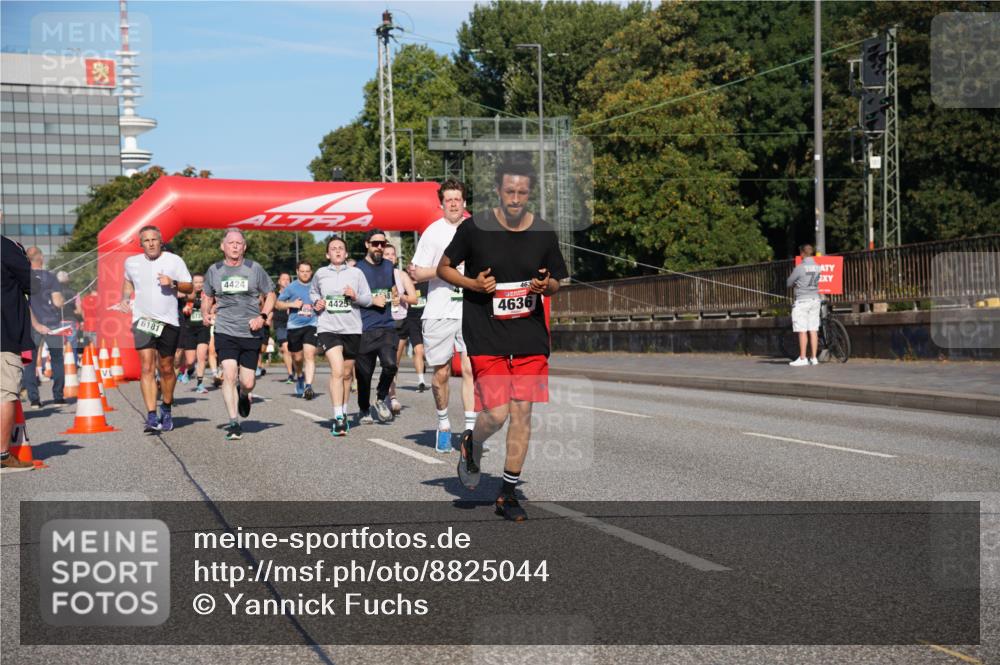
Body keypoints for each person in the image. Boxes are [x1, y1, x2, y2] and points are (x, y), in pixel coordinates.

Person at [438, 154, 568, 521]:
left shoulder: (542, 231)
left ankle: (507, 494)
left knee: (522, 412)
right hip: (485, 332)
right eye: (509, 191)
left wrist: (547, 286)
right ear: (497, 191)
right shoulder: (475, 229)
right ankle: (473, 443)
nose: (515, 198)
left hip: (529, 334)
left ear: (530, 193)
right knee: (495, 414)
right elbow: (444, 268)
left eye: (522, 193)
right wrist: (473, 284)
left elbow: (557, 279)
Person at [408, 178, 476, 454]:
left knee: (472, 368)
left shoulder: (477, 231)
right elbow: (416, 272)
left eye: (457, 199)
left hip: (471, 309)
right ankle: (444, 423)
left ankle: (470, 431)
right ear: (441, 203)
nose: (453, 204)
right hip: (438, 311)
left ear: (464, 202)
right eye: (448, 199)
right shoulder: (432, 233)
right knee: (441, 374)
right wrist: (447, 270)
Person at [112, 225, 193, 432]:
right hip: (143, 320)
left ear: (161, 241)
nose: (150, 243)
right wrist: (124, 299)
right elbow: (128, 282)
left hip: (168, 322)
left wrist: (172, 282)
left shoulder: (174, 261)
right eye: (146, 240)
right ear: (141, 244)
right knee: (147, 367)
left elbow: (189, 287)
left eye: (154, 240)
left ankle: (166, 408)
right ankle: (150, 415)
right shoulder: (132, 263)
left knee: (166, 368)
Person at [201, 228, 275, 440]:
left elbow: (270, 294)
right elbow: (207, 295)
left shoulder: (254, 269)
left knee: (248, 382)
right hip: (225, 329)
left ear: (244, 247)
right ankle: (234, 422)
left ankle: (244, 394)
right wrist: (206, 313)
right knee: (230, 374)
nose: (235, 246)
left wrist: (262, 316)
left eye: (239, 243)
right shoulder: (214, 270)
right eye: (231, 243)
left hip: (250, 331)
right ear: (222, 246)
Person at [311, 236, 372, 436]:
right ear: (327, 254)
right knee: (337, 370)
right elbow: (313, 294)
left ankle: (344, 412)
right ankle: (338, 417)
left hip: (352, 329)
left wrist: (355, 296)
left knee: (346, 374)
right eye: (333, 249)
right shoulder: (320, 273)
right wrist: (316, 303)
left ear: (346, 254)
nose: (337, 251)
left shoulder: (357, 273)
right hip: (328, 327)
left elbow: (368, 299)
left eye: (340, 248)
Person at [354, 229, 399, 424]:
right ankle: (364, 409)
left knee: (390, 365)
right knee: (364, 375)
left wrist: (395, 297)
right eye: (375, 244)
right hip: (364, 328)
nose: (379, 247)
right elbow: (350, 298)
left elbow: (391, 290)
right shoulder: (357, 269)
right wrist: (372, 300)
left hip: (386, 325)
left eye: (382, 243)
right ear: (367, 245)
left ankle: (380, 398)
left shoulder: (389, 266)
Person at [1, 226, 36, 472]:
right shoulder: (6, 247)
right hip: (4, 334)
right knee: (5, 393)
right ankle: (3, 455)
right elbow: (31, 283)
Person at [22, 247, 66, 408]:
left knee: (29, 361)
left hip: (31, 324)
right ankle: (58, 397)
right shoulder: (51, 277)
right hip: (52, 323)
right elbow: (57, 302)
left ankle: (34, 399)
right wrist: (62, 300)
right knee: (57, 359)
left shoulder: (23, 277)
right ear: (40, 257)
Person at [276, 261, 319, 399]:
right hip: (295, 326)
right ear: (297, 272)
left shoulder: (316, 286)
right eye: (302, 271)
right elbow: (278, 304)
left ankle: (308, 386)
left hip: (312, 324)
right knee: (298, 357)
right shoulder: (291, 287)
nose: (305, 273)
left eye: (307, 271)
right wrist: (292, 304)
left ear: (311, 272)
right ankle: (300, 376)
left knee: (309, 354)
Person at [383, 243, 418, 415]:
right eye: (386, 253)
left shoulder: (402, 275)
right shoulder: (375, 275)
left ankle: (391, 394)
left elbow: (414, 299)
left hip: (399, 322)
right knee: (385, 361)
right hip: (380, 323)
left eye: (392, 254)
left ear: (395, 258)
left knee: (393, 363)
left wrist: (401, 297)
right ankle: (386, 392)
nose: (389, 256)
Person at [786, 244, 822, 367]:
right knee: (813, 330)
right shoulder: (818, 267)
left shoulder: (800, 267)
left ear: (802, 253)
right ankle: (814, 357)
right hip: (815, 299)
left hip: (802, 301)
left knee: (802, 330)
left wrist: (797, 284)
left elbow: (789, 282)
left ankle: (802, 357)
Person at [179, 274, 211, 393]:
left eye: (201, 282)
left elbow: (214, 306)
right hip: (189, 328)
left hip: (203, 328)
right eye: (196, 282)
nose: (199, 284)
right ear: (192, 283)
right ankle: (188, 371)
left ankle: (200, 384)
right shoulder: (186, 295)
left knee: (202, 357)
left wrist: (212, 312)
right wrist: (184, 308)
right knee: (190, 361)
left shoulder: (207, 295)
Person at [273, 272, 294, 383]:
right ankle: (290, 374)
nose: (286, 281)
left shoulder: (294, 294)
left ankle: (295, 367)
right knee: (285, 348)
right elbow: (270, 308)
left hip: (294, 323)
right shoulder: (274, 295)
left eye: (288, 279)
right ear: (279, 282)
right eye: (283, 279)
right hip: (280, 324)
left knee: (295, 351)